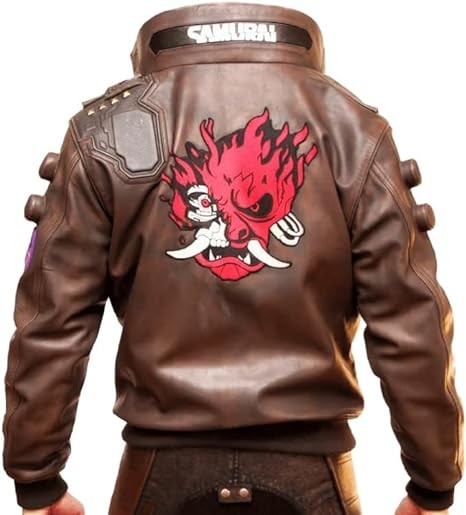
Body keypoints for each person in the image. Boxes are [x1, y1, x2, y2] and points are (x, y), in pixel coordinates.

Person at [2, 3, 463, 515]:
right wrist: (433, 481)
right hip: (316, 478)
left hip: (157, 477)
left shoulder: (104, 131)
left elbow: (53, 320)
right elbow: (409, 317)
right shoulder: (355, 128)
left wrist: (37, 477)